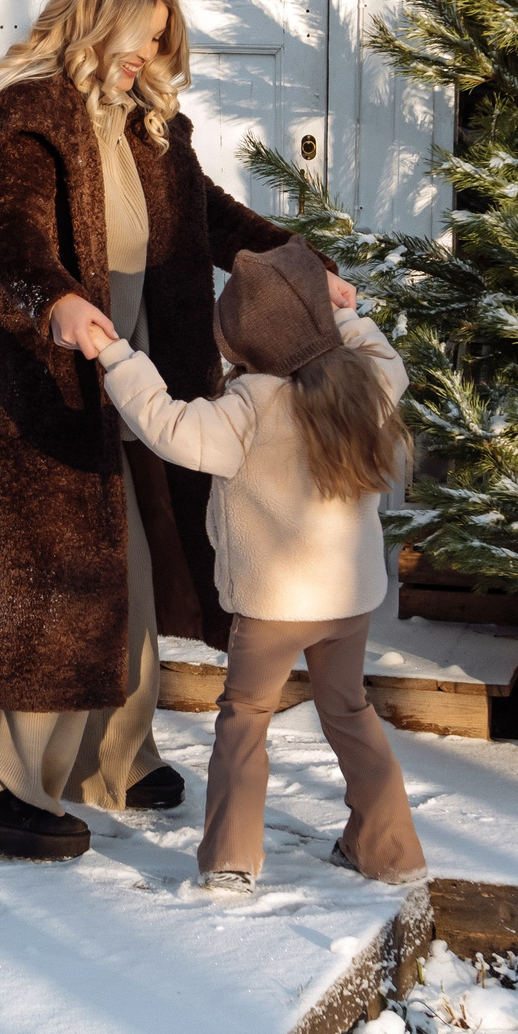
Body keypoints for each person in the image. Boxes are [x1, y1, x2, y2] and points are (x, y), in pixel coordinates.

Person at [0, 0, 354, 861]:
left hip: (128, 389)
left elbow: (209, 215)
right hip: (36, 397)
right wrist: (54, 301)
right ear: (96, 21)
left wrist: (303, 264)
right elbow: (9, 230)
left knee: (127, 578)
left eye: (159, 47)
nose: (148, 61)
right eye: (139, 42)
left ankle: (111, 757)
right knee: (55, 598)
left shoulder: (144, 126)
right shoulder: (29, 113)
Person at [82, 239, 428, 891]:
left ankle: (233, 860)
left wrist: (117, 355)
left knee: (245, 719)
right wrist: (343, 313)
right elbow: (390, 360)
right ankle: (392, 849)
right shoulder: (363, 382)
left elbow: (165, 423)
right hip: (348, 604)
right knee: (350, 713)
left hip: (273, 609)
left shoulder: (250, 406)